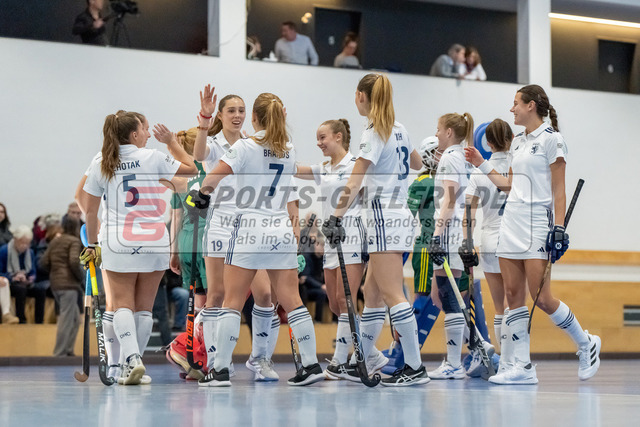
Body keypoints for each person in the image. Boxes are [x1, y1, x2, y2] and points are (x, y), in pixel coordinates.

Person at [465, 84, 601, 384]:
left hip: (537, 222)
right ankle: (522, 367)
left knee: (543, 298)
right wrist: (481, 163)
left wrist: (559, 228)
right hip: (511, 222)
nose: (511, 109)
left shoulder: (553, 139)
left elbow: (559, 190)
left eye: (515, 103)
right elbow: (509, 186)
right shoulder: (518, 142)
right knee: (513, 296)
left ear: (531, 106)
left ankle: (586, 343)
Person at [188, 92, 324, 387]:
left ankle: (220, 370)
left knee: (233, 301)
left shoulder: (245, 146)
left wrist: (202, 195)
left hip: (249, 229)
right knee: (292, 300)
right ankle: (312, 364)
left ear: (253, 117)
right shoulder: (287, 148)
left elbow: (212, 177)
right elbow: (294, 183)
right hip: (280, 231)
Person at [322, 73, 428, 386]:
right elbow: (418, 163)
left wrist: (336, 216)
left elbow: (354, 180)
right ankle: (361, 361)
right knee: (372, 295)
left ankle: (415, 366)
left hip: (383, 215)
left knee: (393, 293)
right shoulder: (400, 128)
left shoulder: (373, 132)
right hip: (401, 213)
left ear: (361, 96)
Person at [81, 110, 197, 385]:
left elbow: (90, 210)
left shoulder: (101, 161)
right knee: (144, 309)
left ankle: (129, 360)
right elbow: (192, 168)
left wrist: (92, 245)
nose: (147, 133)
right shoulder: (153, 157)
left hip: (117, 240)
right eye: (144, 130)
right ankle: (132, 363)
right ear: (134, 134)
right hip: (153, 239)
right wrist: (172, 142)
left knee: (121, 304)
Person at [193, 86, 285, 383]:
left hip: (249, 226)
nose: (237, 115)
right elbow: (198, 155)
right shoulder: (214, 142)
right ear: (221, 115)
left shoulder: (251, 143)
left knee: (265, 294)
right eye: (231, 110)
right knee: (217, 295)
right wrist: (204, 120)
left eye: (241, 110)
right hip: (220, 223)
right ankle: (216, 362)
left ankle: (260, 358)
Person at [295, 118, 387, 378]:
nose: (318, 143)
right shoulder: (324, 168)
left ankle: (338, 361)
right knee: (336, 303)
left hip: (351, 234)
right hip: (330, 237)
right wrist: (269, 149)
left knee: (346, 300)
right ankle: (371, 354)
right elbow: (293, 168)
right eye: (317, 138)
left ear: (338, 137)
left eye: (322, 137)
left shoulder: (356, 164)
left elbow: (368, 193)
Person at [426, 111, 495, 380]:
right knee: (440, 296)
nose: (436, 134)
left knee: (448, 297)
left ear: (449, 132)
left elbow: (450, 200)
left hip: (449, 232)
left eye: (438, 129)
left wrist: (437, 235)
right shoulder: (463, 158)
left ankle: (454, 363)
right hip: (458, 231)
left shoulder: (449, 158)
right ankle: (478, 343)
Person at [460, 119, 511, 375]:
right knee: (516, 306)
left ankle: (505, 361)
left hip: (489, 240)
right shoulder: (517, 164)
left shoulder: (478, 172)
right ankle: (514, 361)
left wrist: (467, 243)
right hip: (514, 239)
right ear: (512, 139)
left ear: (487, 143)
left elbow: (468, 213)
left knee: (500, 307)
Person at [39, 217, 84, 356]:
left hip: (56, 284)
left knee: (75, 319)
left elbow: (43, 262)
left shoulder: (55, 241)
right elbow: (74, 261)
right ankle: (59, 353)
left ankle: (68, 350)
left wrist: (55, 272)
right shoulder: (74, 241)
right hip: (69, 285)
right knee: (66, 319)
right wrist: (81, 277)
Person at [0, 225, 45, 324]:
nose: (24, 246)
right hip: (11, 283)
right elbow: (1, 272)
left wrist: (29, 279)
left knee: (40, 290)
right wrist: (13, 277)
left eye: (27, 243)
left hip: (25, 282)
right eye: (22, 242)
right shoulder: (4, 250)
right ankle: (21, 320)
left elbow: (33, 272)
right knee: (21, 290)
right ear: (15, 239)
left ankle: (39, 321)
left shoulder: (30, 252)